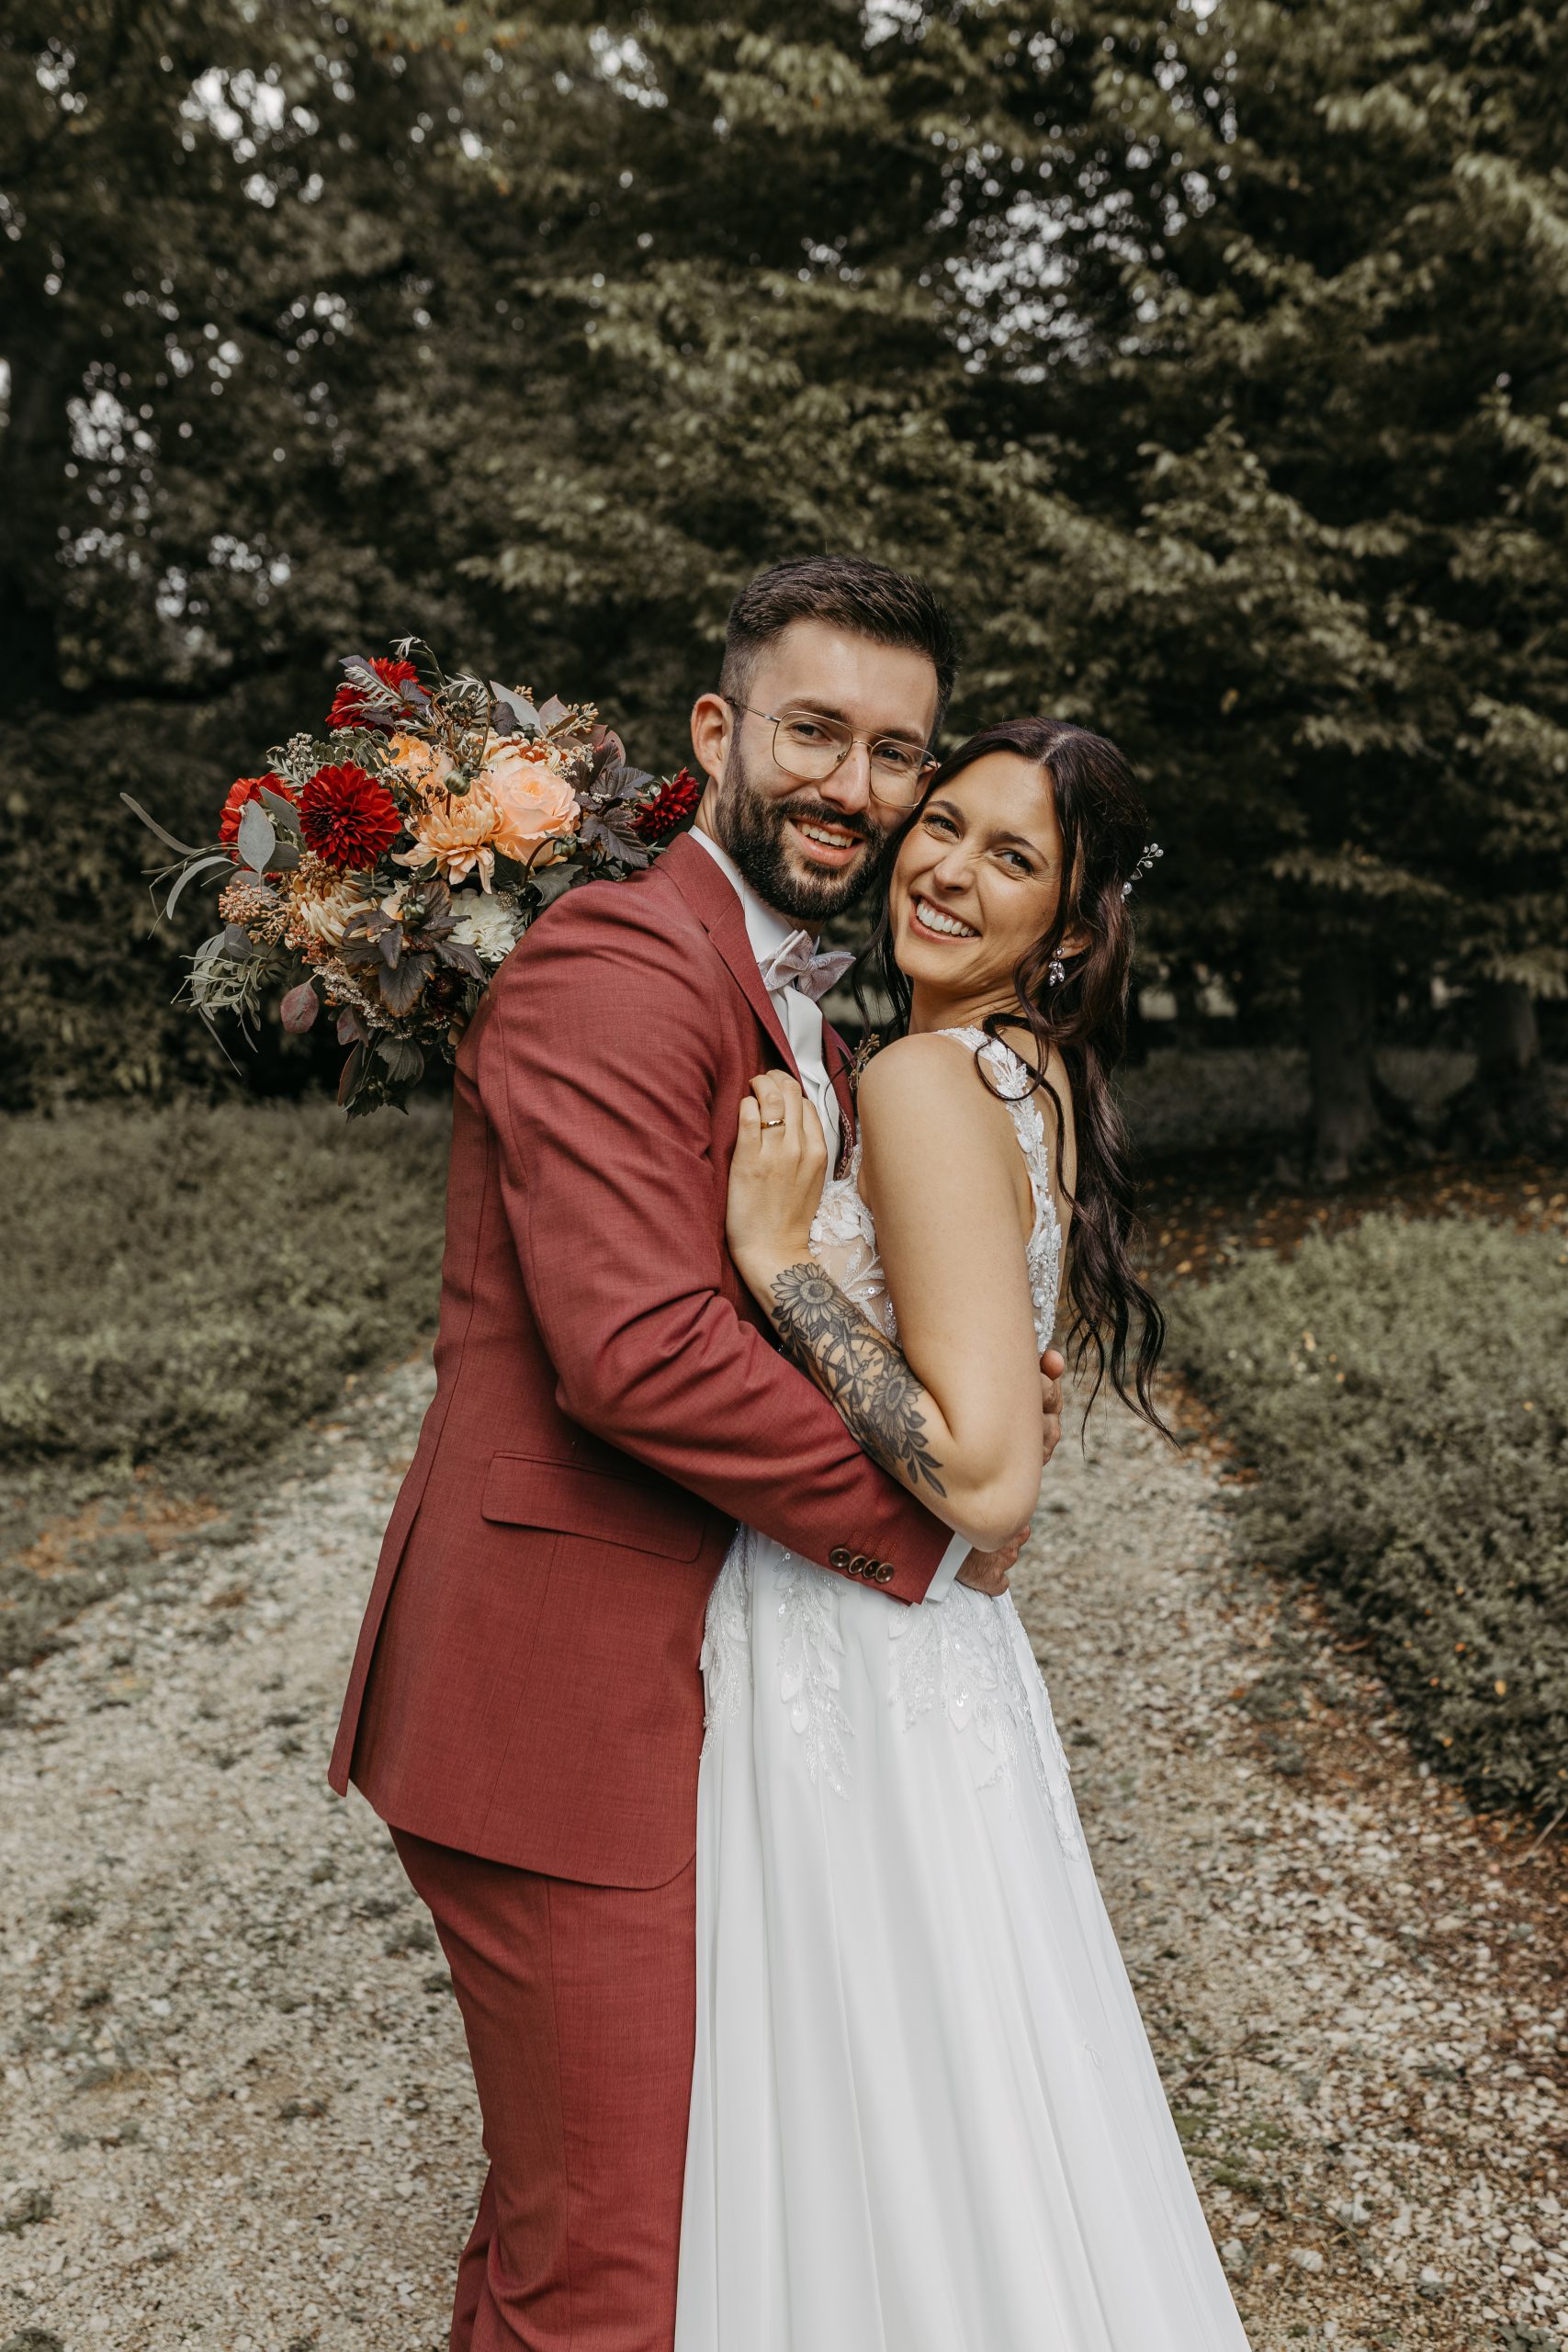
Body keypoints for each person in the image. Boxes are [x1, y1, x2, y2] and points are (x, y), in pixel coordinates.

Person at [328, 558, 1065, 2350]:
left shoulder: (801, 1004)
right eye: (813, 730)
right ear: (718, 732)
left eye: (893, 751)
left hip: (666, 1697)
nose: (853, 785)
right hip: (551, 1704)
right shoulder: (614, 967)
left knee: (566, 2231)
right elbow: (638, 1355)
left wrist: (960, 1380)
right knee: (609, 2276)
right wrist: (938, 1507)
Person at [675, 718, 1253, 2348]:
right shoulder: (1026, 1075)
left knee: (873, 2085)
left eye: (1013, 858)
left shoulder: (930, 1079)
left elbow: (985, 1479)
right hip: (939, 1663)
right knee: (964, 2092)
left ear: (1069, 926)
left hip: (856, 1655)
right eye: (942, 825)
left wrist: (777, 1260)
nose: (944, 870)